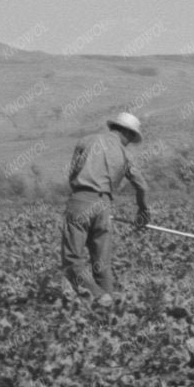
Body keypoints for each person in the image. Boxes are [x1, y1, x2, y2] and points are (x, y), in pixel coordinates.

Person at [60, 110, 150, 301]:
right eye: (131, 138)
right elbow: (142, 186)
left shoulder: (86, 141)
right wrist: (142, 211)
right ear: (129, 133)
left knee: (72, 260)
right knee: (101, 261)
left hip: (81, 199)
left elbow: (72, 174)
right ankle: (108, 300)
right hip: (104, 205)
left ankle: (100, 296)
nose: (129, 142)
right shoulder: (124, 153)